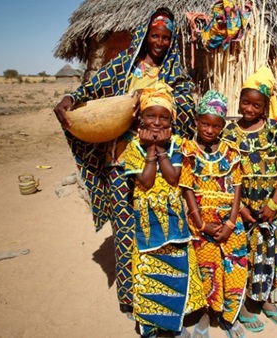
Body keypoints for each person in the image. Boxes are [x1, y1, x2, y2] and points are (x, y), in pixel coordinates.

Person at [52, 7, 197, 318]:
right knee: (124, 225)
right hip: (120, 159)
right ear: (145, 36)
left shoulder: (174, 71)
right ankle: (129, 296)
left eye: (166, 38)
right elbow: (91, 89)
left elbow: (187, 106)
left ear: (171, 41)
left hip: (158, 163)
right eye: (155, 36)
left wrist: (158, 96)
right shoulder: (124, 66)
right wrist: (70, 99)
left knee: (157, 224)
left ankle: (156, 292)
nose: (159, 42)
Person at [123, 83, 205, 338]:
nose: (157, 122)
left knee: (178, 269)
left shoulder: (177, 143)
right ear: (141, 118)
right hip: (148, 225)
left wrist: (160, 152)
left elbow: (172, 178)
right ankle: (153, 323)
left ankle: (175, 321)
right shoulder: (133, 147)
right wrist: (150, 150)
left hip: (174, 222)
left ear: (171, 120)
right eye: (151, 116)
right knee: (150, 274)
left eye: (163, 117)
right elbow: (146, 181)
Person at [222, 66, 277, 332]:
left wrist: (274, 203)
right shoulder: (229, 133)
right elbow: (226, 170)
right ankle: (239, 305)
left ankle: (262, 300)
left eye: (256, 104)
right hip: (239, 206)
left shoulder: (275, 130)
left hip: (268, 207)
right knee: (240, 254)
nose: (249, 108)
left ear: (264, 107)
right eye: (245, 102)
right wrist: (238, 207)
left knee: (265, 254)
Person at [179, 90, 248, 338]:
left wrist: (231, 222)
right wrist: (200, 223)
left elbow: (237, 186)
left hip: (230, 220)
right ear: (197, 121)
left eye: (215, 125)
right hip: (201, 221)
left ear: (222, 126)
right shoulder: (189, 150)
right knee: (206, 269)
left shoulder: (231, 152)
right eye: (205, 123)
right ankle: (207, 314)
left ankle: (229, 317)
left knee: (234, 267)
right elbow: (187, 187)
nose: (209, 130)